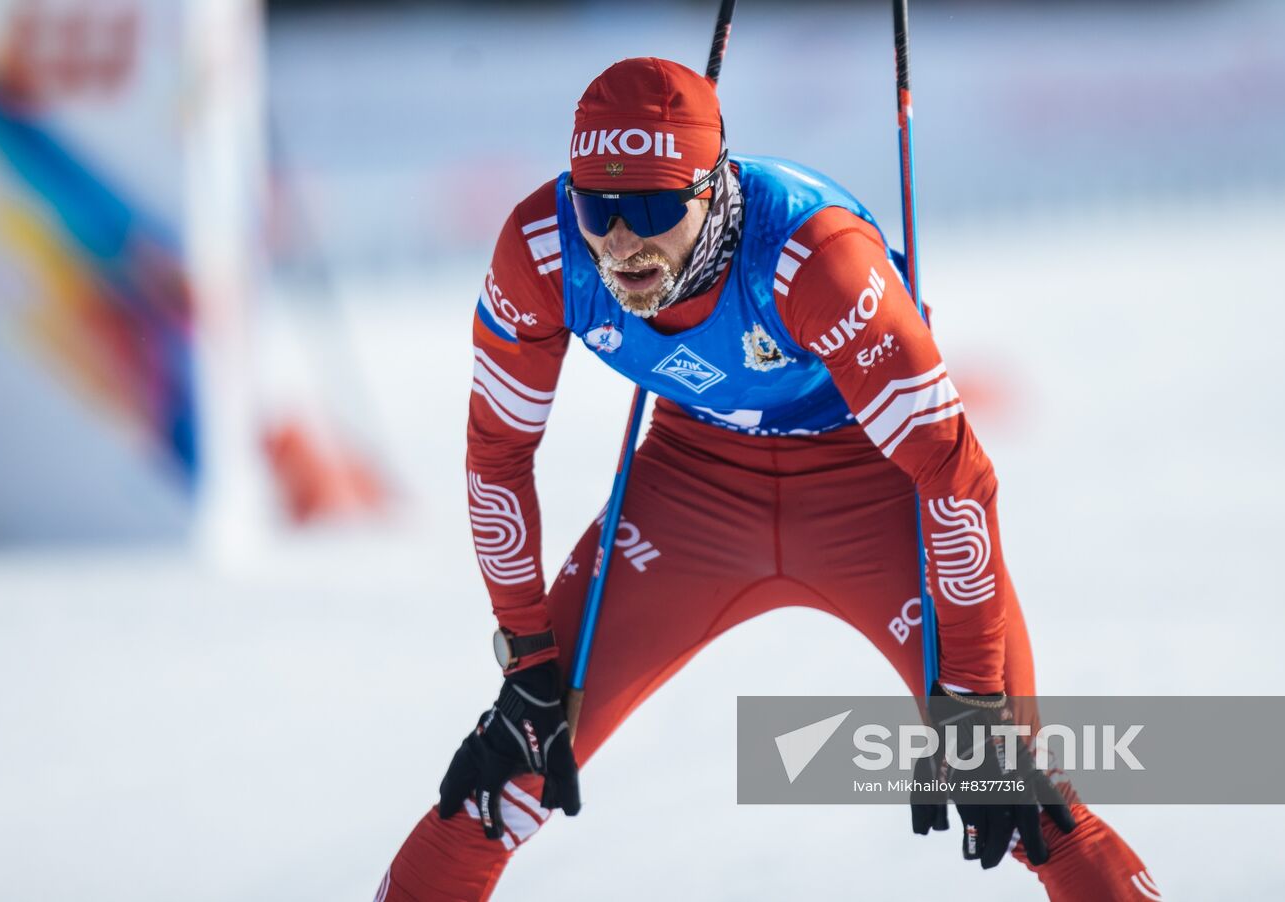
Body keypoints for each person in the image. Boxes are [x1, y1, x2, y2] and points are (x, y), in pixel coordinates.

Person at [373, 57, 1158, 902]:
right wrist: (526, 657)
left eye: (652, 208)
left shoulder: (814, 257)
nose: (622, 241)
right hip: (691, 487)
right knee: (505, 777)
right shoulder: (543, 248)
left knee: (1020, 792)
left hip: (871, 480)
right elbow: (496, 457)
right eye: (600, 207)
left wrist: (969, 697)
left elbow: (951, 472)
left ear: (712, 189)